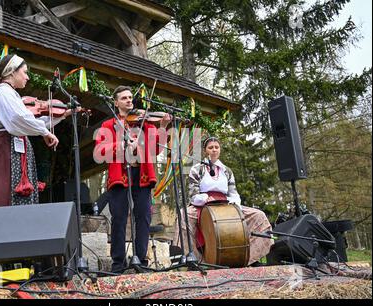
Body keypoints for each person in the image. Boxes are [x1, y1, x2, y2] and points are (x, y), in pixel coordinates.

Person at [94, 85, 171, 273]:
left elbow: (156, 149)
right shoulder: (108, 125)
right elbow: (100, 151)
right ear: (116, 102)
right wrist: (121, 144)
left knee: (143, 217)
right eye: (124, 98)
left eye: (130, 97)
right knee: (119, 218)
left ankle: (140, 260)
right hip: (119, 175)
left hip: (142, 175)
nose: (129, 100)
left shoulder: (145, 123)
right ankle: (118, 264)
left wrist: (162, 127)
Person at [0, 54, 71, 208]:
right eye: (25, 72)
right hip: (5, 146)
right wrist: (45, 132)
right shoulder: (2, 91)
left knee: (15, 193)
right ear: (12, 72)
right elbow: (17, 118)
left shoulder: (13, 95)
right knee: (3, 191)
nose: (27, 77)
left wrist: (62, 115)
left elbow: (32, 122)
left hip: (15, 148)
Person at [175, 136, 273, 266]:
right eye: (211, 148)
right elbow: (193, 195)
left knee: (258, 215)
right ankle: (196, 260)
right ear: (205, 151)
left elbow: (233, 192)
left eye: (217, 147)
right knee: (183, 215)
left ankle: (249, 258)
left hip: (225, 204)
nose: (214, 150)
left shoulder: (227, 170)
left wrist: (234, 202)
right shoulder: (197, 169)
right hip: (202, 205)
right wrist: (203, 199)